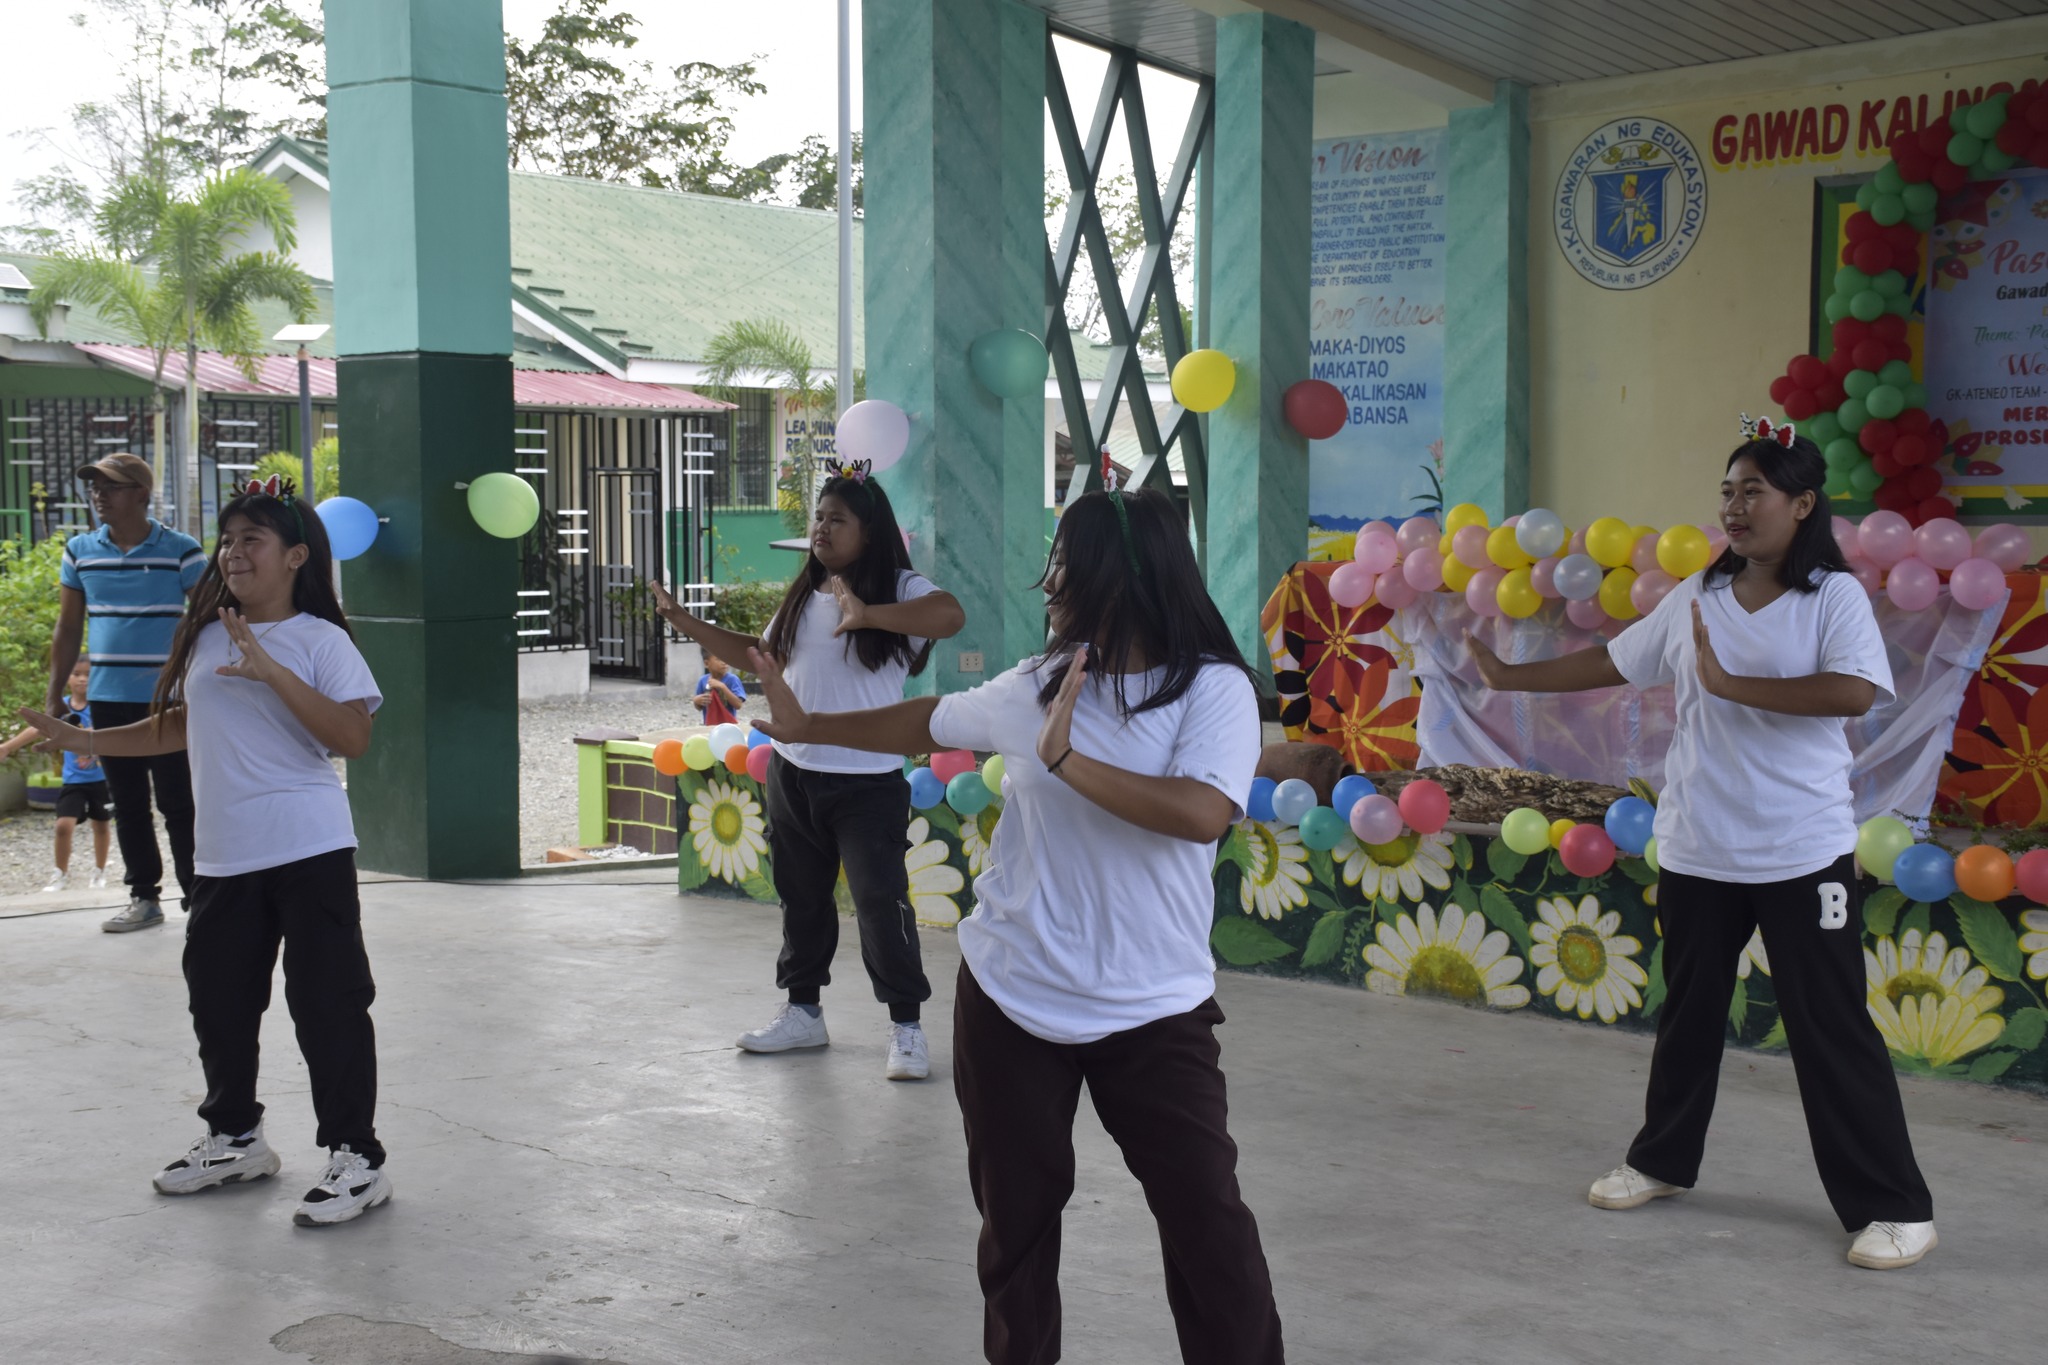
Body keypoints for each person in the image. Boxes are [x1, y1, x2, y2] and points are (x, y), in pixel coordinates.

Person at [749, 485, 1285, 1364]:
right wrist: (813, 723)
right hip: (1011, 995)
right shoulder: (1042, 681)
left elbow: (1199, 812)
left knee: (1209, 1229)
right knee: (1016, 1233)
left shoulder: (1211, 688)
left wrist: (1067, 761)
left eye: (1063, 562)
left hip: (1153, 1008)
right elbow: (930, 718)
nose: (1049, 582)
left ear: (1117, 573)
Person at [1467, 423, 1936, 1271]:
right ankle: (1662, 1159)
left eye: (1754, 490)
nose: (1734, 506)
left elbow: (1854, 691)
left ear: (1802, 503)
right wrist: (1509, 679)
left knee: (1830, 1026)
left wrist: (1728, 684)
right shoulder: (1698, 593)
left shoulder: (1832, 596)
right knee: (1687, 1014)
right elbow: (1615, 661)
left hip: (1800, 851)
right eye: (1728, 490)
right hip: (1698, 846)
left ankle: (1894, 1206)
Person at [19, 476, 391, 1227]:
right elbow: (185, 723)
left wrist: (273, 671)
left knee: (328, 1003)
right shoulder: (211, 634)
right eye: (227, 540)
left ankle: (357, 1157)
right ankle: (235, 1138)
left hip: (308, 844)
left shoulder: (321, 640)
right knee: (219, 1001)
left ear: (295, 556)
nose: (232, 552)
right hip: (224, 853)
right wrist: (85, 737)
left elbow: (351, 737)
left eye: (252, 539)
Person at [649, 464, 966, 1081]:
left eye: (836, 519)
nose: (821, 528)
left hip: (867, 781)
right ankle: (803, 1011)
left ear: (868, 531)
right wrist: (686, 623)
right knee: (802, 899)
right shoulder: (807, 590)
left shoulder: (901, 587)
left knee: (879, 902)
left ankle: (906, 1026)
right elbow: (762, 654)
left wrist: (868, 614)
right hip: (794, 773)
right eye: (818, 517)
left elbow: (950, 616)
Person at [48, 452, 204, 933]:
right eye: (95, 487)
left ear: (141, 494)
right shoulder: (80, 551)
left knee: (180, 802)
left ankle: (201, 900)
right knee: (128, 803)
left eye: (111, 486)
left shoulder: (181, 550)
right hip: (109, 698)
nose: (99, 495)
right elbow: (68, 627)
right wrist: (55, 695)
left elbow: (208, 619)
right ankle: (144, 897)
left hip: (170, 700)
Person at [0, 658, 111, 892]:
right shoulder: (62, 707)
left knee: (101, 825)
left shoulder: (102, 706)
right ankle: (60, 874)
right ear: (67, 677)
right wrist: (8, 747)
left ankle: (99, 872)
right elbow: (38, 729)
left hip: (101, 779)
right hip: (74, 780)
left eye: (88, 674)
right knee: (63, 826)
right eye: (76, 673)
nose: (82, 679)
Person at [691, 654, 747, 723]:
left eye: (725, 658)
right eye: (719, 659)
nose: (724, 662)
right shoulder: (703, 680)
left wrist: (722, 687)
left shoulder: (733, 679)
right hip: (709, 724)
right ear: (706, 664)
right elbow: (699, 707)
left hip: (728, 724)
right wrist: (696, 701)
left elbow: (738, 705)